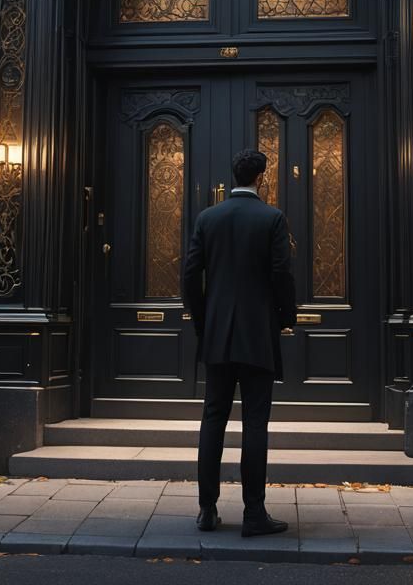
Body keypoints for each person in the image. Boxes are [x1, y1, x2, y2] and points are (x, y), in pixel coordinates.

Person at [182, 148, 297, 537]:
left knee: (212, 418)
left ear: (234, 176)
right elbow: (282, 272)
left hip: (217, 335)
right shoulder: (272, 218)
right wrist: (285, 318)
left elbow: (189, 275)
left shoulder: (207, 218)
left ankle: (206, 509)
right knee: (255, 422)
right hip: (257, 335)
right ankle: (253, 513)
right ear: (261, 177)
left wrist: (204, 320)